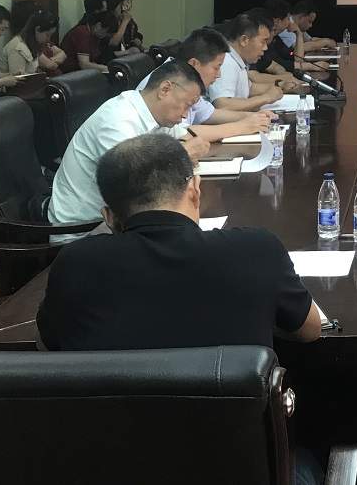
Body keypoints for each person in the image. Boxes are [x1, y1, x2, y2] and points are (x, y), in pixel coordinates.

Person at [36, 132, 325, 485]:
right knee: (311, 456)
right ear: (195, 190)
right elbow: (309, 330)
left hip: (115, 469)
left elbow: (47, 348)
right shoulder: (255, 248)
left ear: (109, 217)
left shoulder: (74, 263)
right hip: (238, 469)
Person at [47, 60, 211, 235]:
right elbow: (139, 184)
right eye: (186, 105)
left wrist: (187, 147)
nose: (186, 115)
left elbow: (186, 138)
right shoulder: (118, 120)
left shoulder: (156, 114)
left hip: (119, 219)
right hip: (83, 230)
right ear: (165, 89)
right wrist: (182, 153)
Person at [139, 27, 274, 142]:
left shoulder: (186, 80)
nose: (219, 74)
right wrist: (243, 126)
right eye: (216, 67)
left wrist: (253, 117)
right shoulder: (172, 81)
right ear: (194, 64)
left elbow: (209, 114)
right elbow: (183, 133)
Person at [207, 12, 288, 111]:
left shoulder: (238, 59)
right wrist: (265, 98)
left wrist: (280, 86)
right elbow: (223, 105)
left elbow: (248, 88)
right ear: (244, 40)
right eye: (263, 42)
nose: (265, 48)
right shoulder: (226, 62)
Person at [3, 9, 66, 76]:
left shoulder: (32, 43)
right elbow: (18, 78)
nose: (48, 39)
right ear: (37, 29)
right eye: (47, 35)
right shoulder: (18, 47)